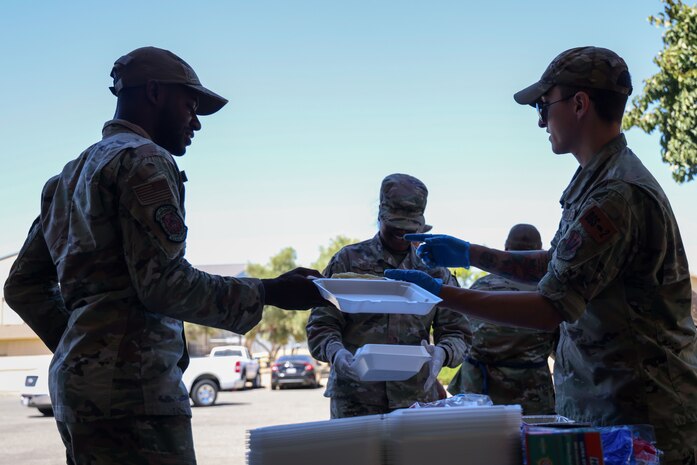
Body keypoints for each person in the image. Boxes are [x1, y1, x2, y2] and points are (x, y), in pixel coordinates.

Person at [3, 46, 327, 465]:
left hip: (78, 389)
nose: (195, 122)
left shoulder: (68, 176)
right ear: (154, 92)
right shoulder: (144, 160)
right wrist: (271, 291)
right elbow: (164, 284)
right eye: (190, 106)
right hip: (134, 393)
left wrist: (83, 348)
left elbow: (22, 285)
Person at [386, 47, 697, 464]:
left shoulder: (615, 195)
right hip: (614, 407)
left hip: (641, 413)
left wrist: (441, 294)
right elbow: (560, 267)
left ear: (580, 104)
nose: (539, 120)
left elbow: (550, 307)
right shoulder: (600, 181)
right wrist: (471, 253)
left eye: (544, 105)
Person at [306, 173, 467, 418]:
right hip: (355, 399)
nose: (401, 235)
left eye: (409, 230)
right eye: (395, 228)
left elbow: (458, 331)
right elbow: (321, 324)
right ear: (380, 217)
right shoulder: (348, 261)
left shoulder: (434, 270)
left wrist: (443, 353)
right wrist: (335, 352)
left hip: (415, 401)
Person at [448, 224, 557, 415]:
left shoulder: (480, 287)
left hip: (479, 392)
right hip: (532, 394)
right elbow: (559, 345)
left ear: (505, 250)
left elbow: (463, 334)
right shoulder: (548, 293)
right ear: (538, 252)